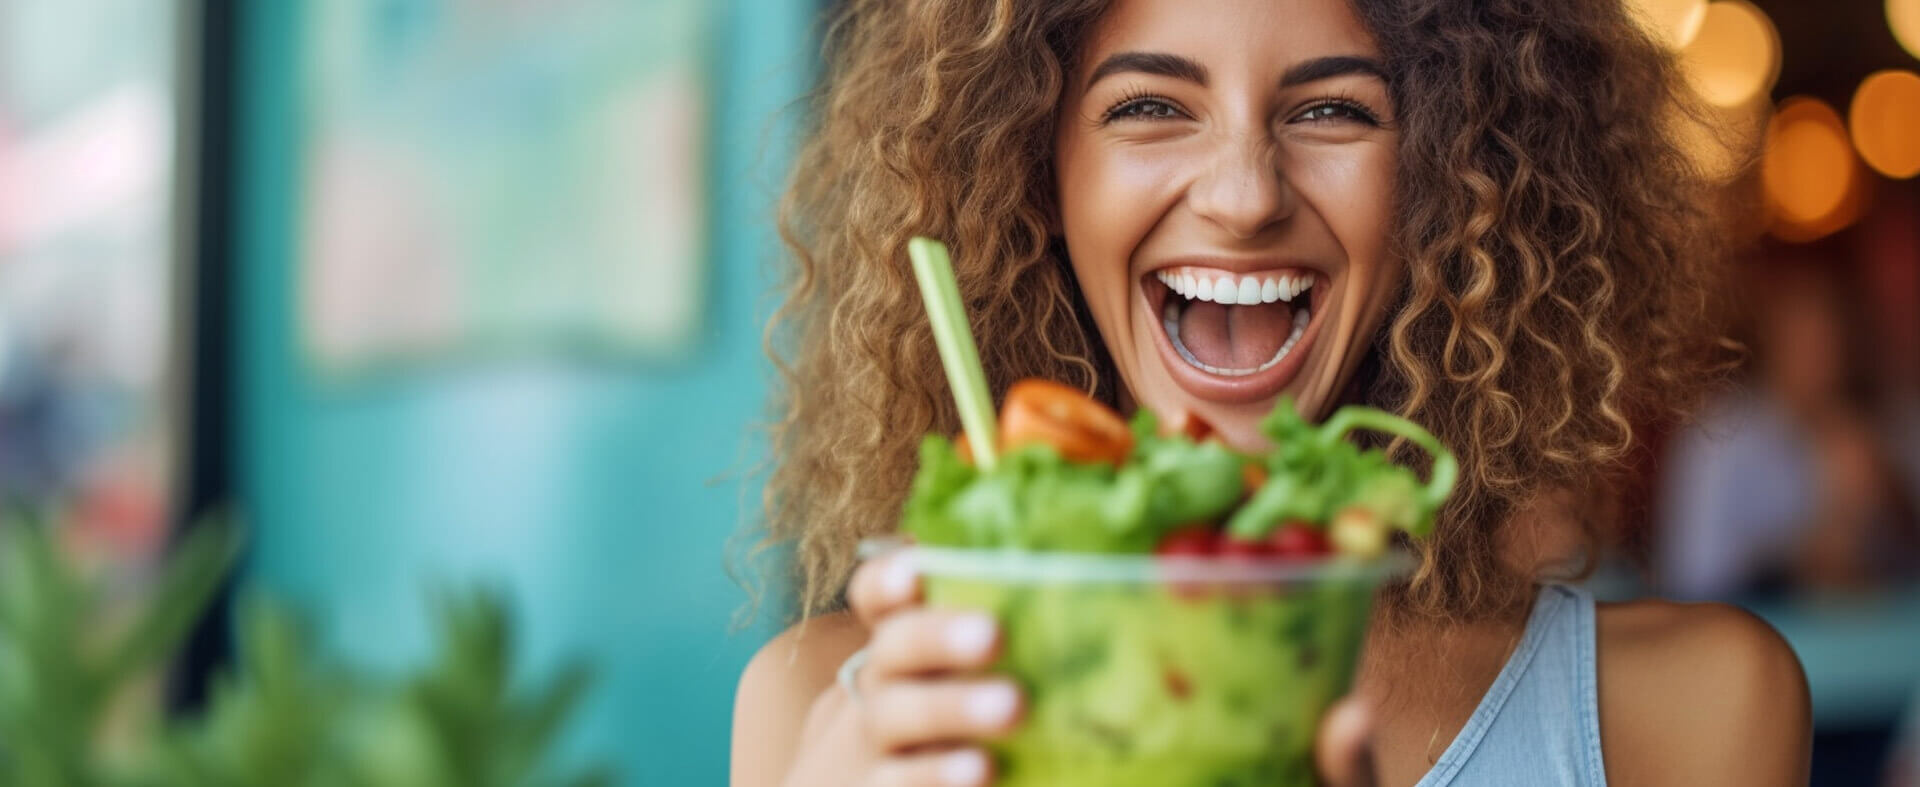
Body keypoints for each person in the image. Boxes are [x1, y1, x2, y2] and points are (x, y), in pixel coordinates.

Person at [733, 0, 1812, 785]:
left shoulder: (1688, 715)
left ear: (1445, 179)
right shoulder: (832, 716)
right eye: (1151, 104)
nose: (1246, 196)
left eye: (1336, 111)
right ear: (1033, 170)